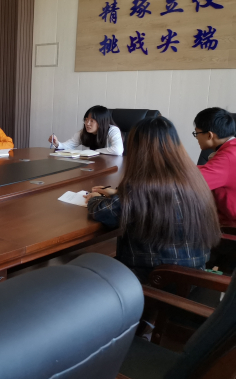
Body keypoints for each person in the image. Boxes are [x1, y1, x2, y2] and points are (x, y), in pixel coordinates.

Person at [85, 116, 221, 283]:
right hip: (195, 276)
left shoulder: (143, 186)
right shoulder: (194, 177)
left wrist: (95, 199)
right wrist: (118, 194)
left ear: (138, 149)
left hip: (156, 279)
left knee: (86, 266)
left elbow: (104, 212)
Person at [194, 107, 236, 224]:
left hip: (229, 226)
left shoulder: (228, 157)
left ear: (209, 135)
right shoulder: (231, 150)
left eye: (196, 133)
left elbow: (191, 182)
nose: (196, 138)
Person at [48, 105, 123, 155]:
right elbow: (69, 145)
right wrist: (57, 143)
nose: (87, 123)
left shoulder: (113, 130)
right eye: (86, 120)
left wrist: (95, 151)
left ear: (101, 122)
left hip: (112, 165)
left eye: (92, 121)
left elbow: (118, 150)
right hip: (94, 163)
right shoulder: (84, 132)